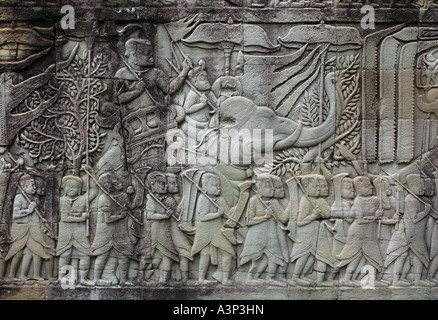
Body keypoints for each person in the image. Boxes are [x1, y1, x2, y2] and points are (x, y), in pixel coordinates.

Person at [239, 174, 289, 286]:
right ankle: (250, 278)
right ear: (258, 190)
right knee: (256, 257)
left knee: (274, 255)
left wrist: (293, 203)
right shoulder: (254, 200)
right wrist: (265, 217)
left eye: (272, 186)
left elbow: (284, 219)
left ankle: (270, 277)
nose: (272, 189)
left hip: (272, 233)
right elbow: (249, 221)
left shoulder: (274, 202)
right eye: (267, 186)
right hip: (257, 234)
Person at [336, 176, 384, 287]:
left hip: (369, 232)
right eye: (367, 186)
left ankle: (371, 279)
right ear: (359, 188)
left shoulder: (375, 200)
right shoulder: (358, 201)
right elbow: (359, 220)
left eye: (371, 186)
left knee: (372, 256)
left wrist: (380, 187)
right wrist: (375, 217)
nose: (371, 188)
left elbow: (385, 205)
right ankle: (346, 278)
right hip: (358, 231)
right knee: (354, 256)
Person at [92, 172, 136, 286]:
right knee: (103, 255)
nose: (120, 183)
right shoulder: (104, 198)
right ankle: (96, 278)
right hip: (106, 231)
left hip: (120, 230)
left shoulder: (123, 196)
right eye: (116, 182)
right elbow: (107, 219)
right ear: (108, 186)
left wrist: (129, 203)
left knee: (123, 255)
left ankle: (123, 280)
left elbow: (131, 207)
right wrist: (121, 215)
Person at [191, 173, 235, 285]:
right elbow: (202, 216)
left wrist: (234, 211)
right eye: (214, 185)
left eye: (218, 185)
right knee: (205, 254)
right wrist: (217, 214)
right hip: (205, 230)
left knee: (228, 252)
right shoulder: (203, 198)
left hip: (217, 230)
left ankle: (224, 279)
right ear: (205, 187)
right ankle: (201, 279)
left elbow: (227, 214)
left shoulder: (220, 199)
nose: (218, 188)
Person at [5, 174, 51, 280]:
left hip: (33, 228)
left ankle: (34, 275)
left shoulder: (35, 199)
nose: (34, 187)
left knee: (36, 251)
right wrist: (28, 210)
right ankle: (12, 275)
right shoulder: (19, 197)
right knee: (17, 251)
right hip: (21, 228)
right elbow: (15, 215)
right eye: (32, 185)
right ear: (24, 187)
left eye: (34, 185)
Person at [56, 175, 98, 286]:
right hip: (65, 232)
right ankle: (61, 277)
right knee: (65, 255)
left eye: (74, 187)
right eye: (68, 187)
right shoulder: (62, 200)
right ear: (64, 187)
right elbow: (64, 218)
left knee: (85, 254)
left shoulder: (83, 199)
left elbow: (94, 191)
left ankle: (83, 279)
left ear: (79, 188)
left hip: (80, 232)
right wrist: (81, 217)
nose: (70, 189)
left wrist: (90, 175)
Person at [289, 174, 330, 287]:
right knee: (303, 255)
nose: (318, 189)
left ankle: (302, 275)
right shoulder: (305, 201)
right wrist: (314, 215)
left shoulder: (317, 200)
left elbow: (327, 214)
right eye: (314, 186)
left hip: (314, 233)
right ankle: (295, 277)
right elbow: (300, 221)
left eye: (319, 187)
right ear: (306, 187)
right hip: (305, 233)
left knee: (312, 257)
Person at [145, 171, 179, 285]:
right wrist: (165, 216)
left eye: (166, 183)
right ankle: (142, 277)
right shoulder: (150, 198)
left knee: (168, 255)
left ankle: (164, 280)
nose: (165, 186)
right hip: (154, 231)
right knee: (149, 255)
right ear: (153, 185)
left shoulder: (169, 200)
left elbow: (177, 214)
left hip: (166, 231)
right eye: (161, 183)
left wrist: (173, 212)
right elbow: (149, 215)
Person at [164, 173, 193, 284]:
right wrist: (186, 197)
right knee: (184, 252)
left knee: (179, 253)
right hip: (173, 229)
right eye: (172, 183)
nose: (176, 185)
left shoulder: (174, 198)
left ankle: (175, 279)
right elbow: (177, 214)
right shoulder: (169, 200)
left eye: (176, 183)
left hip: (177, 229)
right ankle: (184, 280)